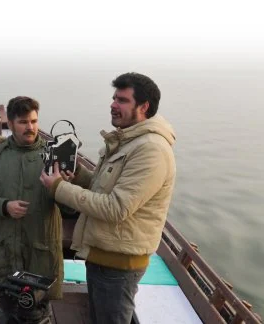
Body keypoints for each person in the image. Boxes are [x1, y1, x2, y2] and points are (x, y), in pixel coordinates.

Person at [39, 72, 176, 324]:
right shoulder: (127, 141)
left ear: (143, 107)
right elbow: (103, 188)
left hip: (119, 265)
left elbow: (115, 208)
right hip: (103, 257)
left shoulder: (151, 150)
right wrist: (78, 174)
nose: (113, 104)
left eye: (122, 100)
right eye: (114, 98)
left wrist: (58, 188)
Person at [0, 96, 63, 324]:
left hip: (39, 258)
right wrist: (4, 206)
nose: (30, 127)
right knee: (7, 314)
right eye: (23, 122)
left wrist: (65, 186)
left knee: (39, 316)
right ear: (10, 124)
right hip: (4, 256)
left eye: (34, 121)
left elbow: (71, 205)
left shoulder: (54, 155)